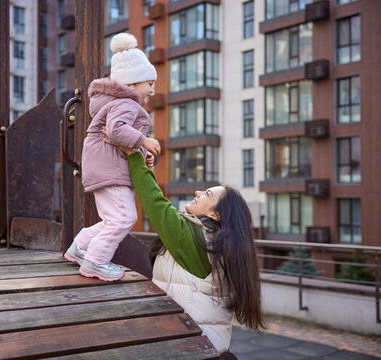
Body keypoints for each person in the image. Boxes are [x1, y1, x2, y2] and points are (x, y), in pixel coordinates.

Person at [102, 137, 266, 354]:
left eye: (207, 194)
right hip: (203, 344)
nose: (198, 192)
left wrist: (133, 155)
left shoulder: (197, 239)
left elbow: (156, 204)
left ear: (214, 214)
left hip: (192, 346)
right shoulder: (216, 245)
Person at [63, 33, 161, 282]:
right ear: (132, 83)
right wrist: (144, 141)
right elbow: (117, 131)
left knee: (112, 218)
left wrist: (141, 154)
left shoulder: (119, 103)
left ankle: (80, 247)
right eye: (149, 83)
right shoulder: (127, 103)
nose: (152, 89)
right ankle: (95, 261)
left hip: (105, 166)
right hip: (110, 169)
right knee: (124, 217)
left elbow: (119, 136)